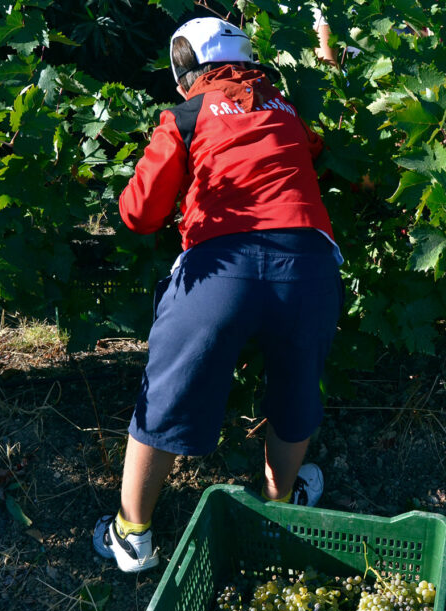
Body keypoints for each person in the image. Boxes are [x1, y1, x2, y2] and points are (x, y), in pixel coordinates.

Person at [92, 17, 343, 573]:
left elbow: (139, 215)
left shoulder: (185, 115)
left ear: (185, 69)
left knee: (166, 394)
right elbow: (315, 150)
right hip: (307, 264)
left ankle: (133, 536)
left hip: (219, 269)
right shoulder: (285, 108)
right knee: (297, 392)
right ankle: (278, 510)